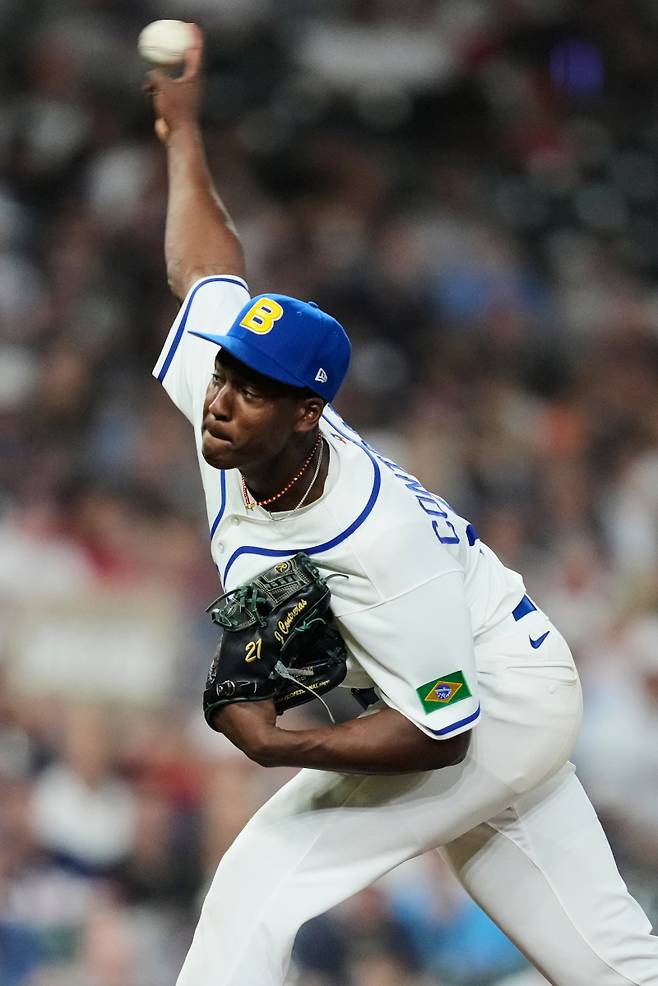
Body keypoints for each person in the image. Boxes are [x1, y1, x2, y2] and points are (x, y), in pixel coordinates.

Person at [147, 27, 658, 986]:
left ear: (308, 413)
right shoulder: (228, 413)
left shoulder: (370, 535)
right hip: (483, 677)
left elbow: (442, 729)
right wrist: (183, 136)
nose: (220, 399)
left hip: (487, 700)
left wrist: (283, 744)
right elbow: (207, 271)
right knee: (610, 966)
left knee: (261, 877)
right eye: (224, 376)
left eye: (253, 390)